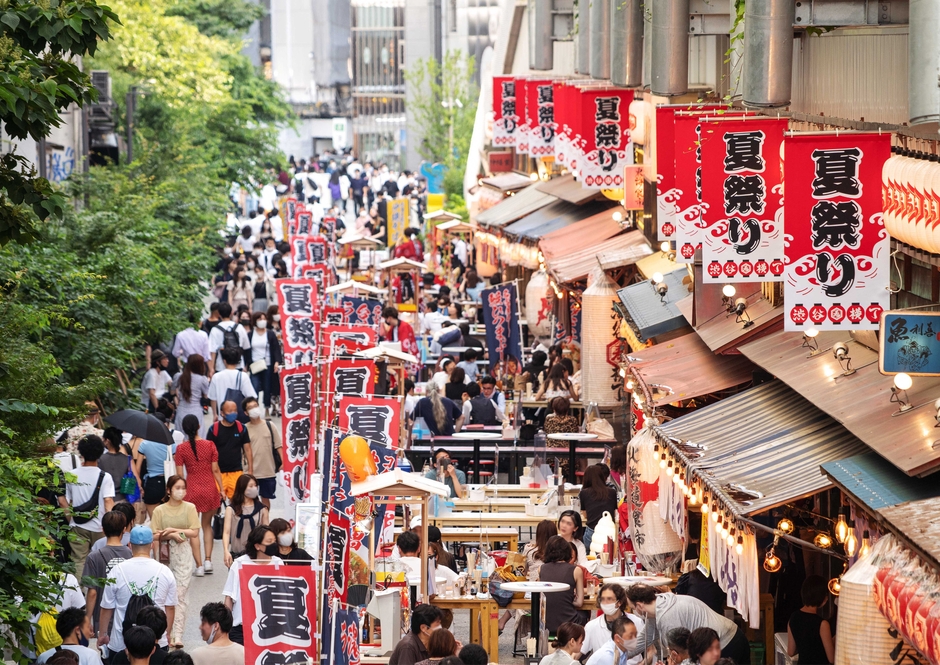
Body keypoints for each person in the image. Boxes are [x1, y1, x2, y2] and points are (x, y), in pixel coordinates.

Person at [98, 527, 177, 660]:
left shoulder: (117, 571)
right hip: (156, 642)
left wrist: (103, 635)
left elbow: (107, 607)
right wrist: (167, 633)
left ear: (129, 545)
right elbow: (170, 607)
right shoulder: (165, 572)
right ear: (152, 545)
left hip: (121, 643)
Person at [624, 585, 750, 664]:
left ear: (639, 606)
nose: (633, 611)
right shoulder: (660, 604)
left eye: (632, 608)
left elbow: (683, 657)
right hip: (731, 634)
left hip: (725, 643)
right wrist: (619, 653)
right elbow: (646, 637)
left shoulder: (668, 617)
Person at [150, 475, 199, 646]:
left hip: (183, 552)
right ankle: (165, 633)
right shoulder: (159, 510)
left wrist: (176, 531)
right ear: (169, 490)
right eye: (177, 487)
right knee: (164, 594)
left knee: (180, 594)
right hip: (165, 553)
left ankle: (177, 634)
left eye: (183, 488)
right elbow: (154, 534)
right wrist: (170, 534)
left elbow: (194, 531)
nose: (181, 491)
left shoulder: (190, 507)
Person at [174, 414, 224, 575]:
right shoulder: (210, 445)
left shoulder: (181, 449)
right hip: (209, 488)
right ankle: (209, 561)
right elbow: (215, 469)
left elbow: (180, 475)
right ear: (198, 427)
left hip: (191, 491)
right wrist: (221, 489)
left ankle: (199, 566)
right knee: (207, 526)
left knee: (193, 529)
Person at [63, 435, 116, 581]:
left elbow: (67, 503)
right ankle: (98, 594)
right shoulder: (105, 477)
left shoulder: (71, 475)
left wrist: (71, 520)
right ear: (100, 453)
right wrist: (109, 526)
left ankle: (79, 595)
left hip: (77, 526)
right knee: (101, 560)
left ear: (81, 452)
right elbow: (108, 502)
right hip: (100, 527)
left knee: (78, 560)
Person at [222, 526, 284, 645]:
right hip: (241, 627)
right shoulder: (240, 564)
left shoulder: (278, 563)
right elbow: (229, 597)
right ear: (257, 546)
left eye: (275, 541)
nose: (274, 545)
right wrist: (225, 626)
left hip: (271, 627)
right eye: (269, 542)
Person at [83, 511, 132, 636]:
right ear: (124, 530)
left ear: (103, 530)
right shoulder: (130, 554)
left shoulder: (93, 557)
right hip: (127, 613)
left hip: (102, 615)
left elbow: (92, 592)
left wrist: (88, 618)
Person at [538, 536, 588, 631]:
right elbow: (579, 603)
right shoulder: (576, 570)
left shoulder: (541, 569)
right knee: (584, 614)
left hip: (546, 624)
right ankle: (581, 642)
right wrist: (567, 600)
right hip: (569, 623)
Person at [583, 584, 646, 659]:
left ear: (619, 602)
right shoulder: (591, 626)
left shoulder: (637, 622)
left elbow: (650, 651)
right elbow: (576, 654)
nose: (605, 603)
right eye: (602, 599)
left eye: (609, 599)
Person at [207, 399, 253, 498]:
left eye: (235, 411)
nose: (233, 413)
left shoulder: (241, 428)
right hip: (218, 473)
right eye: (230, 411)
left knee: (237, 502)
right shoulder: (213, 429)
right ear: (222, 413)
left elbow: (248, 449)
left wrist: (250, 471)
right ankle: (217, 514)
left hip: (236, 472)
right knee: (216, 502)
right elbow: (208, 452)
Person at [222, 474, 269, 568]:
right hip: (236, 554)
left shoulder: (262, 509)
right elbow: (226, 532)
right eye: (251, 486)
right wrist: (226, 551)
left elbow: (267, 533)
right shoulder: (231, 509)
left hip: (256, 555)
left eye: (255, 486)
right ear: (242, 488)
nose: (254, 488)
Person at [787, 575, 835, 665]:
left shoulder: (793, 617)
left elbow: (790, 652)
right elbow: (831, 659)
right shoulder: (822, 624)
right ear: (823, 598)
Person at [243, 396, 281, 508]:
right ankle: (253, 522)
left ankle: (264, 522)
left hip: (267, 470)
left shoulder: (270, 425)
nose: (254, 409)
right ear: (246, 413)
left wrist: (283, 463)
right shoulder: (244, 429)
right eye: (250, 408)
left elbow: (278, 445)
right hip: (250, 471)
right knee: (250, 499)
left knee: (265, 499)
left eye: (255, 406)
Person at [35, 607, 102, 665]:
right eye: (88, 627)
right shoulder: (90, 656)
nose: (90, 633)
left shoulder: (44, 657)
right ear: (77, 630)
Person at [208, 348, 258, 423]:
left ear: (224, 361)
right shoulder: (243, 376)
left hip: (223, 417)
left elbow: (213, 398)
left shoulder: (216, 377)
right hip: (240, 418)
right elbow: (251, 397)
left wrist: (215, 414)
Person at [135, 432, 177, 520]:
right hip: (168, 483)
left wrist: (139, 486)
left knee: (155, 522)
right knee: (169, 520)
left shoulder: (144, 444)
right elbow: (177, 465)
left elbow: (137, 468)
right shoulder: (170, 444)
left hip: (152, 484)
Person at [247, 312, 281, 413]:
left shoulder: (270, 333)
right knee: (254, 386)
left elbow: (276, 349)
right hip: (254, 364)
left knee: (267, 387)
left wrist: (277, 362)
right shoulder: (250, 334)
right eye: (259, 319)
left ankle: (266, 408)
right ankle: (254, 408)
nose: (262, 321)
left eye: (264, 318)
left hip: (268, 364)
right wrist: (246, 364)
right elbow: (246, 350)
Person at [579, 465, 619, 551]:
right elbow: (615, 512)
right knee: (609, 559)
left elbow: (585, 515)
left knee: (590, 559)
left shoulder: (584, 493)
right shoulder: (612, 492)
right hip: (609, 532)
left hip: (592, 531)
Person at [208, 303, 251, 374]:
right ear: (231, 313)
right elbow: (246, 347)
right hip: (238, 365)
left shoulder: (215, 329)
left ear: (219, 314)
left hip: (221, 367)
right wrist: (246, 365)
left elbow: (212, 351)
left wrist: (211, 369)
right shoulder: (240, 327)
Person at [172, 354, 210, 437]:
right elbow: (206, 396)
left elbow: (172, 392)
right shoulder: (202, 379)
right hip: (196, 410)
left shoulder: (178, 376)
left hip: (181, 410)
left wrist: (177, 397)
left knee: (181, 437)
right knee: (197, 437)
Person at [99, 427, 131, 502]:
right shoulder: (126, 459)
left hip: (107, 498)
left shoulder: (101, 459)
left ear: (107, 441)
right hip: (124, 499)